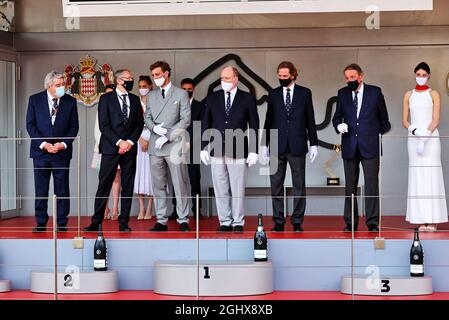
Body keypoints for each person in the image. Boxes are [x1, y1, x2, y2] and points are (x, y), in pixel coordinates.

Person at [332, 63, 390, 232]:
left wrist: (370, 133)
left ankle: (372, 223)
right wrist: (339, 126)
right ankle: (350, 222)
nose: (349, 80)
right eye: (347, 78)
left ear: (361, 76)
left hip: (370, 145)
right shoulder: (342, 93)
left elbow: (384, 120)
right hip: (349, 145)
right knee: (350, 186)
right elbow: (337, 118)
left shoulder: (375, 92)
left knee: (371, 185)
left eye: (352, 77)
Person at [201, 66, 259, 232]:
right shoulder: (212, 97)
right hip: (216, 148)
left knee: (237, 187)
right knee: (220, 187)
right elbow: (206, 122)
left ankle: (238, 222)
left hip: (239, 149)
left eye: (227, 78)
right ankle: (225, 221)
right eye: (222, 78)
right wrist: (204, 147)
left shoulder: (247, 98)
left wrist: (254, 149)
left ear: (235, 79)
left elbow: (254, 125)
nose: (223, 81)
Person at [261, 61, 318, 232]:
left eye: (285, 76)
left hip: (298, 144)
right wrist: (264, 144)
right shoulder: (273, 94)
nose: (282, 78)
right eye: (279, 76)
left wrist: (314, 143)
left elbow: (310, 119)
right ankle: (278, 221)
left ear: (293, 75)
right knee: (275, 185)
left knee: (299, 184)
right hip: (277, 144)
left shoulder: (305, 93)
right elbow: (268, 119)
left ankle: (297, 221)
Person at [84, 69, 144, 232]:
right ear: (119, 80)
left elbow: (139, 124)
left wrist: (130, 142)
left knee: (128, 185)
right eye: (128, 78)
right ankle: (96, 221)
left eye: (132, 78)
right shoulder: (106, 99)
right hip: (111, 148)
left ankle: (123, 222)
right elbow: (104, 125)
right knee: (104, 184)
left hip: (130, 149)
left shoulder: (135, 99)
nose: (131, 80)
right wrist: (119, 142)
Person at [26, 71, 79, 232]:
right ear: (49, 86)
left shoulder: (70, 101)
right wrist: (43, 144)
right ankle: (41, 223)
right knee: (41, 189)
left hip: (61, 153)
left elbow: (74, 127)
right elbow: (30, 125)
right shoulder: (35, 99)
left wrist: (63, 144)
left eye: (63, 85)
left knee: (62, 189)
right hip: (41, 153)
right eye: (58, 85)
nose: (62, 87)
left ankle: (61, 223)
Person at [146, 61, 191, 232]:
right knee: (158, 184)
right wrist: (153, 128)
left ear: (166, 74)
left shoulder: (180, 94)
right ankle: (161, 219)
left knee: (180, 183)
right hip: (155, 145)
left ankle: (183, 218)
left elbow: (185, 119)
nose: (155, 78)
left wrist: (167, 135)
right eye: (153, 75)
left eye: (157, 74)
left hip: (173, 144)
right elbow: (147, 117)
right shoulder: (151, 95)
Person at [403, 62, 448, 232]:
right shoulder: (408, 94)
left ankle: (433, 219)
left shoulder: (434, 94)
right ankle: (421, 218)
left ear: (429, 76)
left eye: (423, 75)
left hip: (430, 138)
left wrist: (425, 136)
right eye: (418, 74)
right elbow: (404, 120)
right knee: (417, 175)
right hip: (414, 137)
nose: (420, 77)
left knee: (431, 174)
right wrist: (415, 131)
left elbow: (436, 119)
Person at [92, 83, 121, 221]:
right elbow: (98, 130)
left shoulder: (121, 108)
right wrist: (100, 146)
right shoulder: (100, 108)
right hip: (102, 148)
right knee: (104, 179)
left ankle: (115, 208)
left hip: (117, 148)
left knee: (116, 178)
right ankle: (105, 207)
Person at [181, 78, 204, 217]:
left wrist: (191, 142)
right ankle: (176, 210)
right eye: (184, 89)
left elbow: (201, 127)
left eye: (189, 89)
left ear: (193, 89)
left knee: (195, 179)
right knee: (177, 181)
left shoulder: (200, 106)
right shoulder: (175, 105)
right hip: (176, 148)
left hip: (193, 148)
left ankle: (197, 210)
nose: (186, 91)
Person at [135, 75, 154, 220]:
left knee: (153, 174)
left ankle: (150, 209)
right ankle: (141, 208)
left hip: (153, 140)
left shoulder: (156, 102)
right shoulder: (135, 103)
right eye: (140, 87)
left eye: (145, 86)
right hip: (138, 140)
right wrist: (140, 139)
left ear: (150, 87)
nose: (142, 89)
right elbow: (130, 125)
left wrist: (150, 140)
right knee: (139, 173)